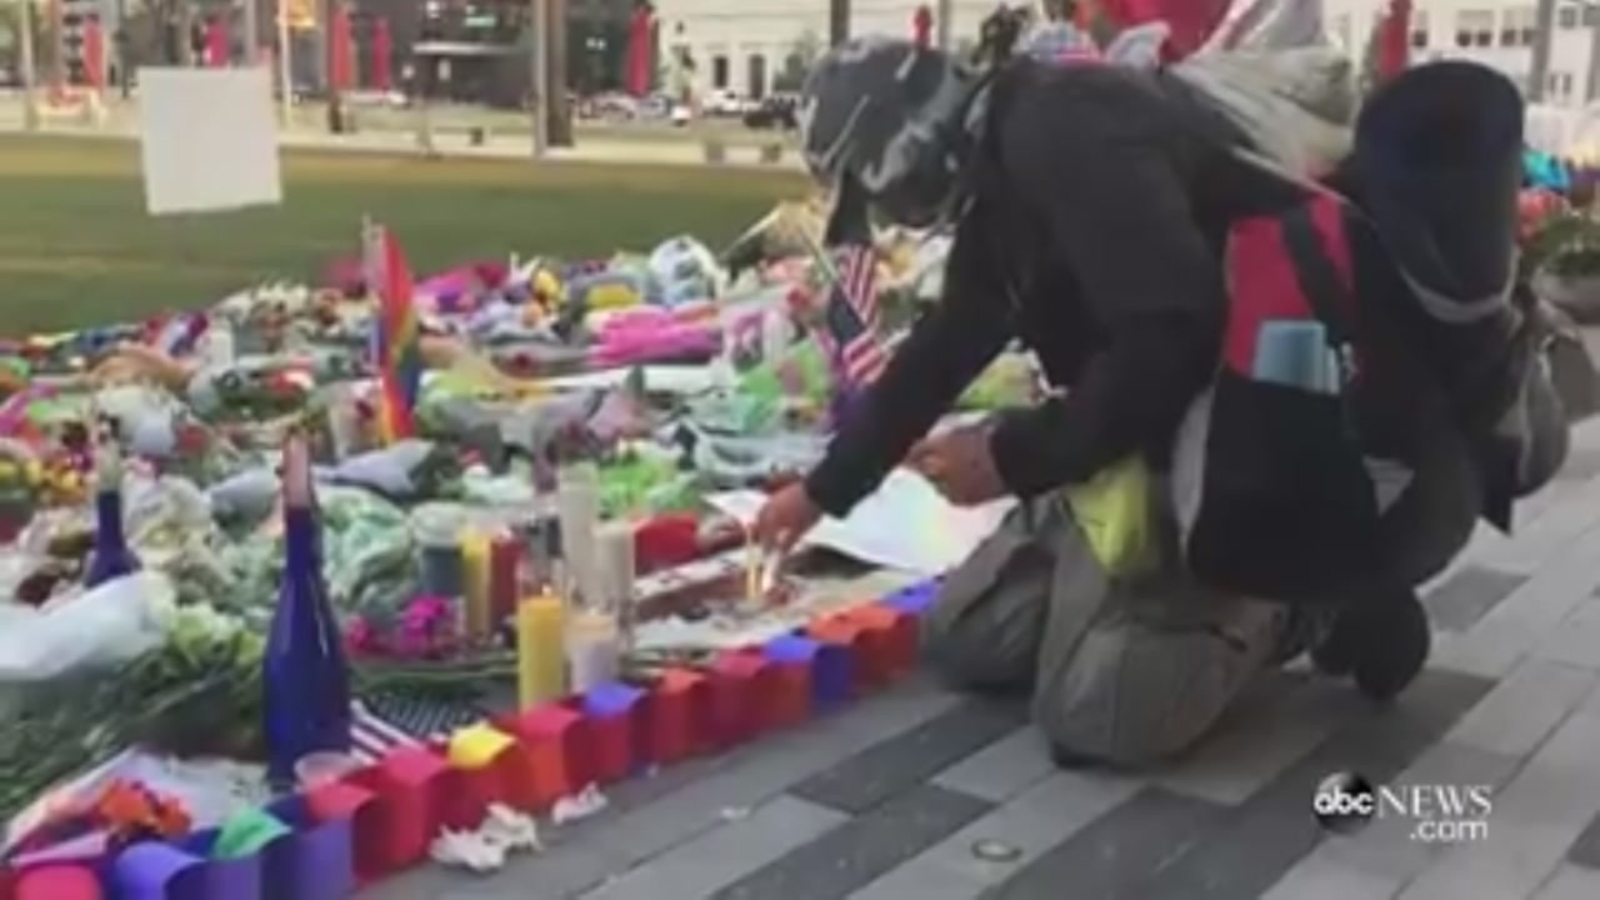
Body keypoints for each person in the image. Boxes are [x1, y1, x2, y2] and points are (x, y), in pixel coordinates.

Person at [757, 38, 1562, 766]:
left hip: (1255, 437)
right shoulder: (1011, 151)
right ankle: (1134, 583)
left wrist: (1011, 457)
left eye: (875, 191)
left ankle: (1310, 599)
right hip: (1168, 421)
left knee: (1093, 717)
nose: (888, 215)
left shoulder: (1063, 131)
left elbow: (1170, 335)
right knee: (967, 639)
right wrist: (822, 492)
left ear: (901, 151)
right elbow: (952, 337)